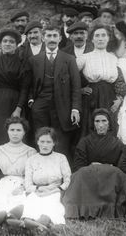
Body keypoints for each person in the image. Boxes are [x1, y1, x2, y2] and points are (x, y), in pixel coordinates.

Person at [63, 109, 126, 219]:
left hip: (109, 180)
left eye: (104, 121)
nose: (101, 125)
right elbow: (78, 166)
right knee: (80, 174)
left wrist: (106, 167)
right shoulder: (85, 142)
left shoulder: (117, 144)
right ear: (93, 124)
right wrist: (92, 166)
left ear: (109, 123)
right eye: (97, 121)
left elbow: (121, 166)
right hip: (89, 179)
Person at [28, 26, 81, 160]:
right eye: (49, 36)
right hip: (41, 106)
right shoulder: (34, 60)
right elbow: (28, 83)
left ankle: (61, 173)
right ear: (43, 38)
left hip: (62, 106)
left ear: (60, 38)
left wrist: (75, 108)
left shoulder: (69, 59)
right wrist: (31, 100)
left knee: (61, 141)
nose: (52, 39)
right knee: (41, 139)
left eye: (54, 36)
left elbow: (76, 85)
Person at [9, 127, 71, 229]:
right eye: (42, 141)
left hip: (55, 190)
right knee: (32, 202)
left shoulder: (61, 158)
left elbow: (67, 179)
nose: (45, 145)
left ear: (54, 143)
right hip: (37, 190)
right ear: (37, 142)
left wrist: (55, 190)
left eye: (48, 142)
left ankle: (41, 222)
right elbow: (28, 183)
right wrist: (38, 189)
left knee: (50, 204)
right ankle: (28, 222)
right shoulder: (31, 160)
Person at [0, 117, 36, 225]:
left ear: (24, 132)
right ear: (7, 131)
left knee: (19, 199)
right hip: (4, 182)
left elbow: (33, 174)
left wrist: (23, 187)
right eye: (12, 130)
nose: (15, 133)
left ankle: (12, 218)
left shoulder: (31, 152)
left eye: (19, 130)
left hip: (22, 182)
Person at [75, 25, 126, 137]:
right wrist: (80, 90)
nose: (100, 38)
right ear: (92, 39)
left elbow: (120, 82)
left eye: (103, 35)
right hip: (92, 97)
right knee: (91, 127)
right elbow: (69, 77)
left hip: (110, 98)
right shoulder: (84, 58)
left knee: (110, 127)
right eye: (97, 36)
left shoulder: (114, 58)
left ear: (108, 38)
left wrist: (119, 99)